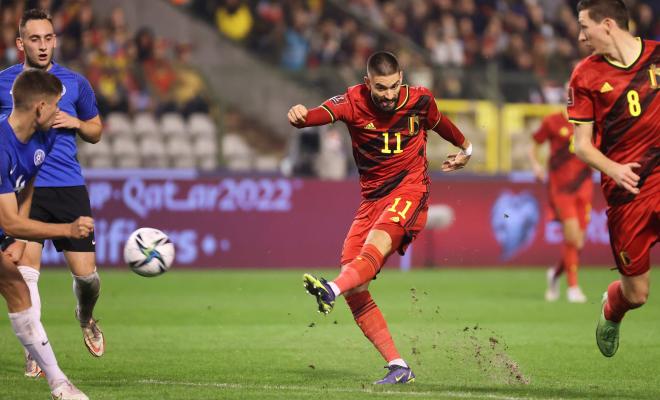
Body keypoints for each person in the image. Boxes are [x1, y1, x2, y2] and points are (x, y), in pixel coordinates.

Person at [288, 51, 472, 383]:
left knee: (373, 248)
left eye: (392, 87)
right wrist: (301, 116)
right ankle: (399, 366)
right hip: (371, 200)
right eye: (380, 88)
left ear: (401, 78)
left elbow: (439, 122)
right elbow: (318, 114)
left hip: (410, 190)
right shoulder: (352, 101)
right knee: (356, 284)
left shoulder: (419, 100)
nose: (387, 95)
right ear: (366, 83)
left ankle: (330, 288)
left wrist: (466, 149)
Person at [0, 9, 105, 377]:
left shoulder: (74, 83)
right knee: (26, 273)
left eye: (48, 38)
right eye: (34, 39)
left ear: (55, 41)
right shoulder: (5, 84)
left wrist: (76, 122)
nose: (42, 46)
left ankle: (86, 316)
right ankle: (35, 348)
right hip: (22, 186)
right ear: (20, 44)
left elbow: (96, 130)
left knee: (87, 279)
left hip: (68, 186)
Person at [569, 0, 658, 357]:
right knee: (637, 294)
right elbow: (581, 146)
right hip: (628, 190)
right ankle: (612, 308)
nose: (580, 36)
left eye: (584, 26)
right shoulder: (586, 75)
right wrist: (614, 169)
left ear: (607, 24)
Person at [528, 109, 593, 303]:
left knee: (578, 242)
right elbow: (534, 145)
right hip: (560, 188)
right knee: (572, 236)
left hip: (584, 185)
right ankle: (573, 287)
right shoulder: (552, 121)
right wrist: (536, 165)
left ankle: (555, 275)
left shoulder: (590, 120)